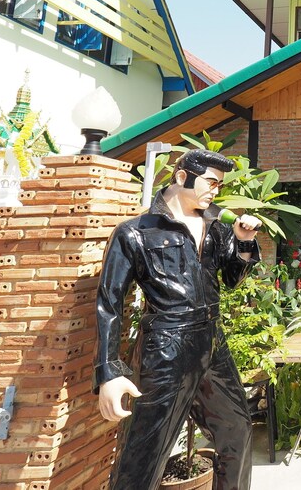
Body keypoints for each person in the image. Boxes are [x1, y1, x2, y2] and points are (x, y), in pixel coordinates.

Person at [95, 149, 262, 490]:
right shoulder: (136, 232)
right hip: (166, 347)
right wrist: (109, 373)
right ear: (182, 176)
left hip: (212, 342)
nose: (215, 190)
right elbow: (110, 301)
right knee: (145, 453)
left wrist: (244, 244)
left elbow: (232, 279)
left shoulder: (215, 227)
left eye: (219, 184)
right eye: (210, 182)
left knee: (237, 430)